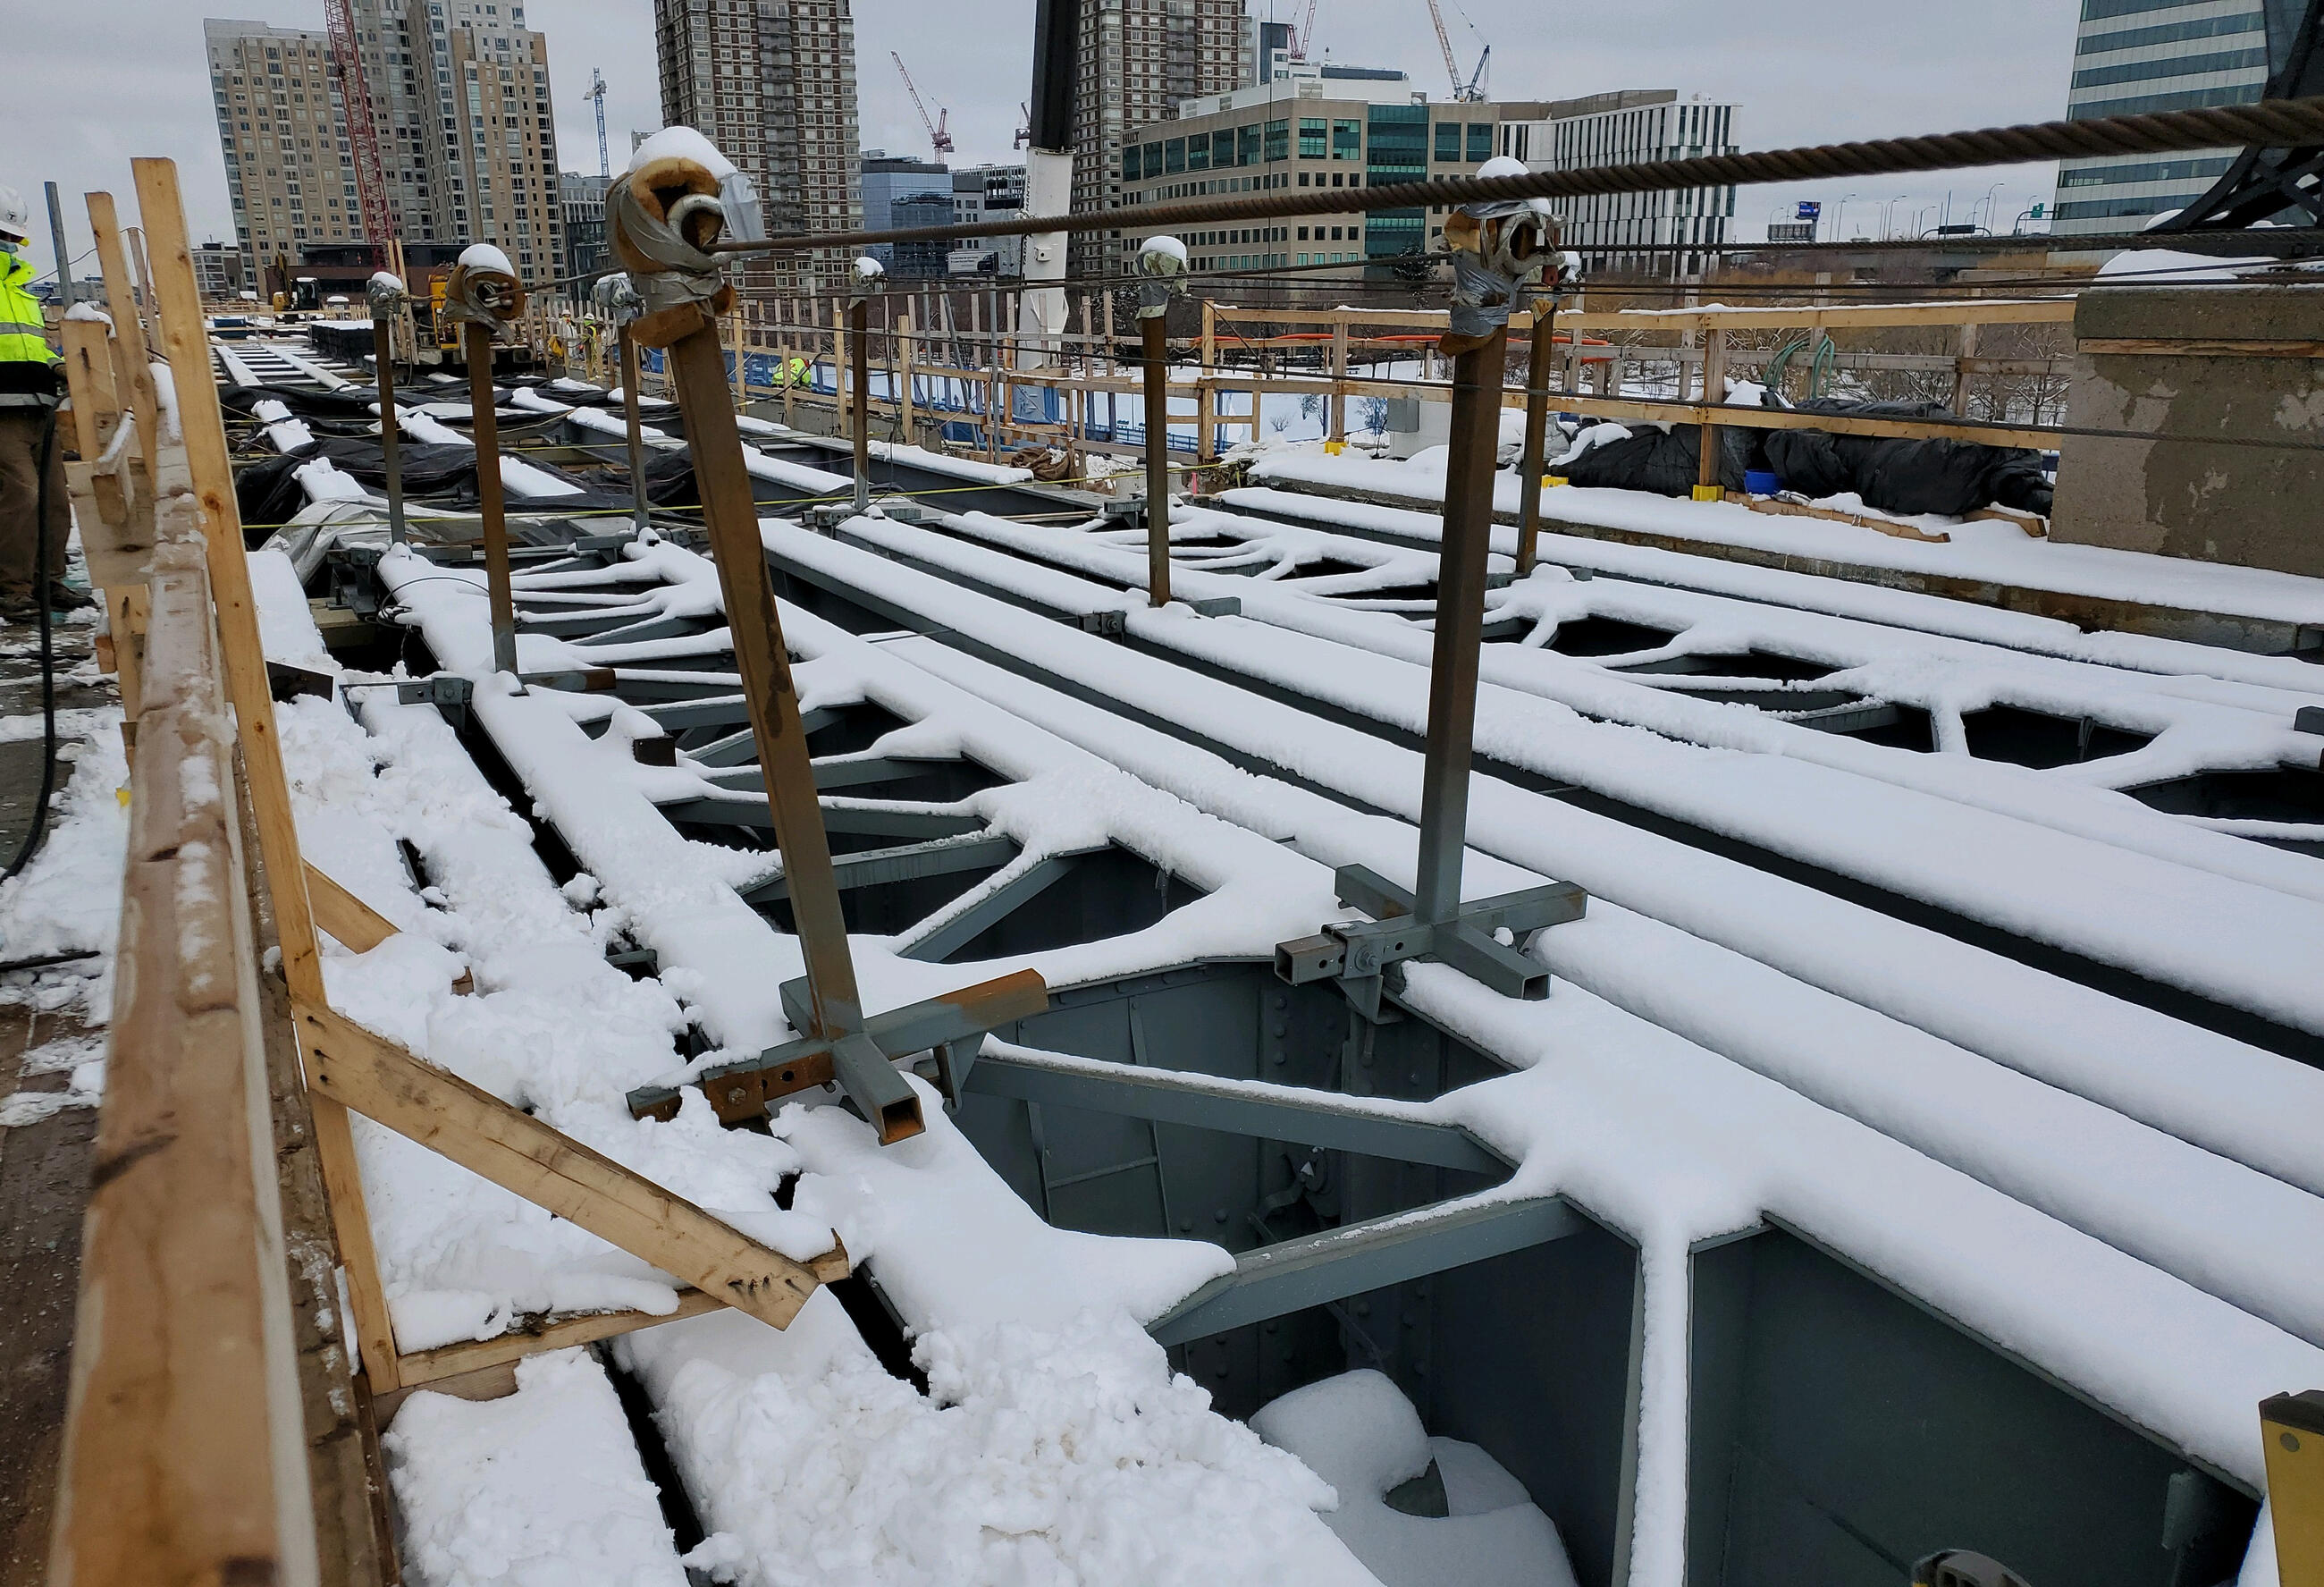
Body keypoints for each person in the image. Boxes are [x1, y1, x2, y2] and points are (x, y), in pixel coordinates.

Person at [0, 186, 86, 624]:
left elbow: (32, 347)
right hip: (3, 415)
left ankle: (49, 579)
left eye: (11, 238)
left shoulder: (21, 289)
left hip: (38, 408)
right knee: (21, 496)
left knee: (54, 499)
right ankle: (13, 588)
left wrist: (57, 367)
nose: (9, 245)